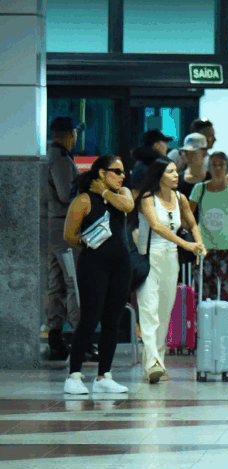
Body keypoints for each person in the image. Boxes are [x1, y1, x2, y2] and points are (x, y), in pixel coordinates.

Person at [61, 156, 136, 395]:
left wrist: (104, 192)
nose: (122, 176)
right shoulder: (84, 200)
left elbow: (128, 206)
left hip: (122, 265)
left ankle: (104, 375)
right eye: (117, 171)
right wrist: (89, 244)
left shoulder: (122, 193)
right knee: (90, 318)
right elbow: (69, 234)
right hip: (94, 265)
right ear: (102, 173)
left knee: (113, 320)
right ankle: (74, 376)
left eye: (123, 171)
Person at [135, 158, 206, 382]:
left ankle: (157, 362)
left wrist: (199, 243)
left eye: (176, 171)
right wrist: (186, 244)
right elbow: (156, 225)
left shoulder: (180, 198)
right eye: (170, 171)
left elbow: (192, 223)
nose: (176, 175)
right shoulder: (147, 198)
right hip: (149, 257)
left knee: (164, 313)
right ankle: (153, 363)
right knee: (149, 311)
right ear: (159, 175)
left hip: (171, 259)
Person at [189, 151, 228, 339]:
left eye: (221, 165)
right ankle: (203, 334)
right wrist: (192, 239)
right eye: (214, 164)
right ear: (209, 167)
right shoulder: (200, 189)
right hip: (204, 249)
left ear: (227, 167)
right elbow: (188, 216)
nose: (218, 168)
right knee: (203, 292)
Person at [43, 117, 81, 361]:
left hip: (50, 227)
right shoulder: (62, 159)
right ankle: (79, 338)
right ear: (71, 134)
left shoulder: (48, 155)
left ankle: (55, 338)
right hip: (64, 227)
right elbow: (67, 194)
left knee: (55, 284)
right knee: (74, 282)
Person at [175, 133, 210, 199]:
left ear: (204, 153)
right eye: (186, 152)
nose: (187, 155)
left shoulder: (212, 180)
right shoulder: (176, 181)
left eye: (192, 152)